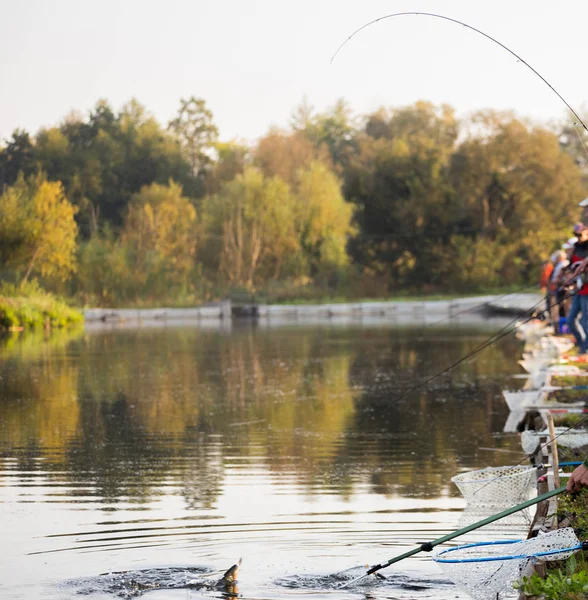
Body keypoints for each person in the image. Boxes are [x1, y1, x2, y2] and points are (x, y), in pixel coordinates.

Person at [565, 224, 588, 353]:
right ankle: (582, 344)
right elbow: (570, 267)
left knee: (586, 321)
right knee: (570, 320)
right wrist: (569, 278)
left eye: (580, 234)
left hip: (587, 290)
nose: (578, 237)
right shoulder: (575, 248)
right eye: (576, 235)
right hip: (578, 290)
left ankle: (585, 348)